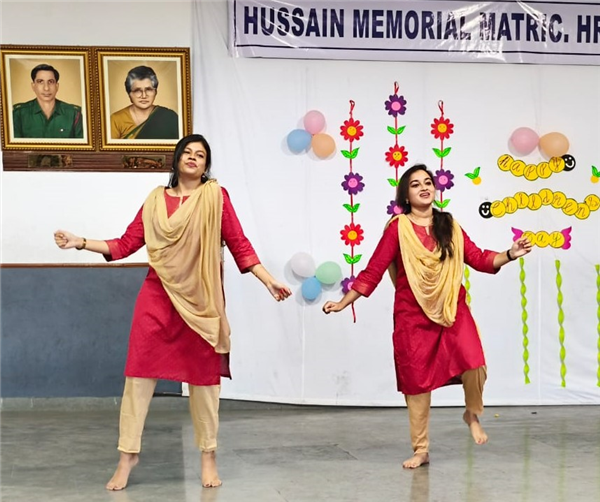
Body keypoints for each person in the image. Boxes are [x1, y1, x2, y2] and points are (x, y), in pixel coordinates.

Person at [54, 134, 291, 490]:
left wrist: (268, 280)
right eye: (188, 152)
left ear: (206, 165)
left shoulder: (216, 197)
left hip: (201, 302)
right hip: (157, 296)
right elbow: (125, 244)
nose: (193, 157)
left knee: (204, 381)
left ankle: (208, 455)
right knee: (138, 376)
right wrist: (81, 242)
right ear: (177, 159)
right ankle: (127, 455)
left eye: (201, 155)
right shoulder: (155, 200)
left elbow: (239, 244)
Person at [322, 164, 532, 469]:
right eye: (415, 184)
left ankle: (472, 413)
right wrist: (344, 302)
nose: (424, 187)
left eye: (428, 182)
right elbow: (374, 270)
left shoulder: (449, 224)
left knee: (474, 363)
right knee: (417, 383)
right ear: (405, 195)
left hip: (451, 309)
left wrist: (510, 254)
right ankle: (421, 450)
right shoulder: (398, 228)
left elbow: (477, 258)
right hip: (412, 315)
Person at [12, 64, 83, 139]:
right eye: (40, 82)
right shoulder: (18, 114)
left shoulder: (74, 114)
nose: (46, 88)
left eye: (51, 82)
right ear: (33, 86)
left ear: (57, 86)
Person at [110, 65, 179, 140]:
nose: (144, 96)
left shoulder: (169, 117)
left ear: (155, 92)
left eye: (148, 89)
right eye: (137, 91)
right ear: (129, 94)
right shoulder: (116, 120)